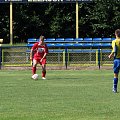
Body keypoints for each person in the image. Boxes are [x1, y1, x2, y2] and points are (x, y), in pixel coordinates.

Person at [108, 29, 120, 93]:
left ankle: (115, 89)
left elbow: (114, 50)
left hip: (117, 60)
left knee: (116, 75)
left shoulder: (114, 41)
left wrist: (110, 55)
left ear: (115, 34)